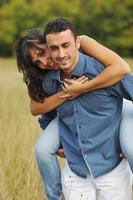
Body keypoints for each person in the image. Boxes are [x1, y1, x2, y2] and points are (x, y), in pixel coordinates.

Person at [15, 28, 132, 200]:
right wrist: (69, 93)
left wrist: (83, 88)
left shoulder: (83, 44)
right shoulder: (49, 79)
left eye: (42, 52)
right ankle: (56, 196)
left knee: (130, 147)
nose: (44, 62)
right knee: (43, 149)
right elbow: (38, 110)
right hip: (74, 108)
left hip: (116, 101)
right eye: (37, 62)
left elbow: (121, 69)